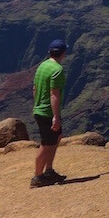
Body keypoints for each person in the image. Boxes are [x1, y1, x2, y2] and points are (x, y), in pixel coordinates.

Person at [30, 39, 69, 187]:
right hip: (47, 113)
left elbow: (34, 88)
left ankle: (49, 171)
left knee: (57, 138)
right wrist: (55, 117)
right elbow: (54, 94)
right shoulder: (57, 70)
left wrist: (37, 105)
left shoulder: (43, 65)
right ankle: (37, 177)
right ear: (63, 53)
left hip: (40, 109)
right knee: (46, 144)